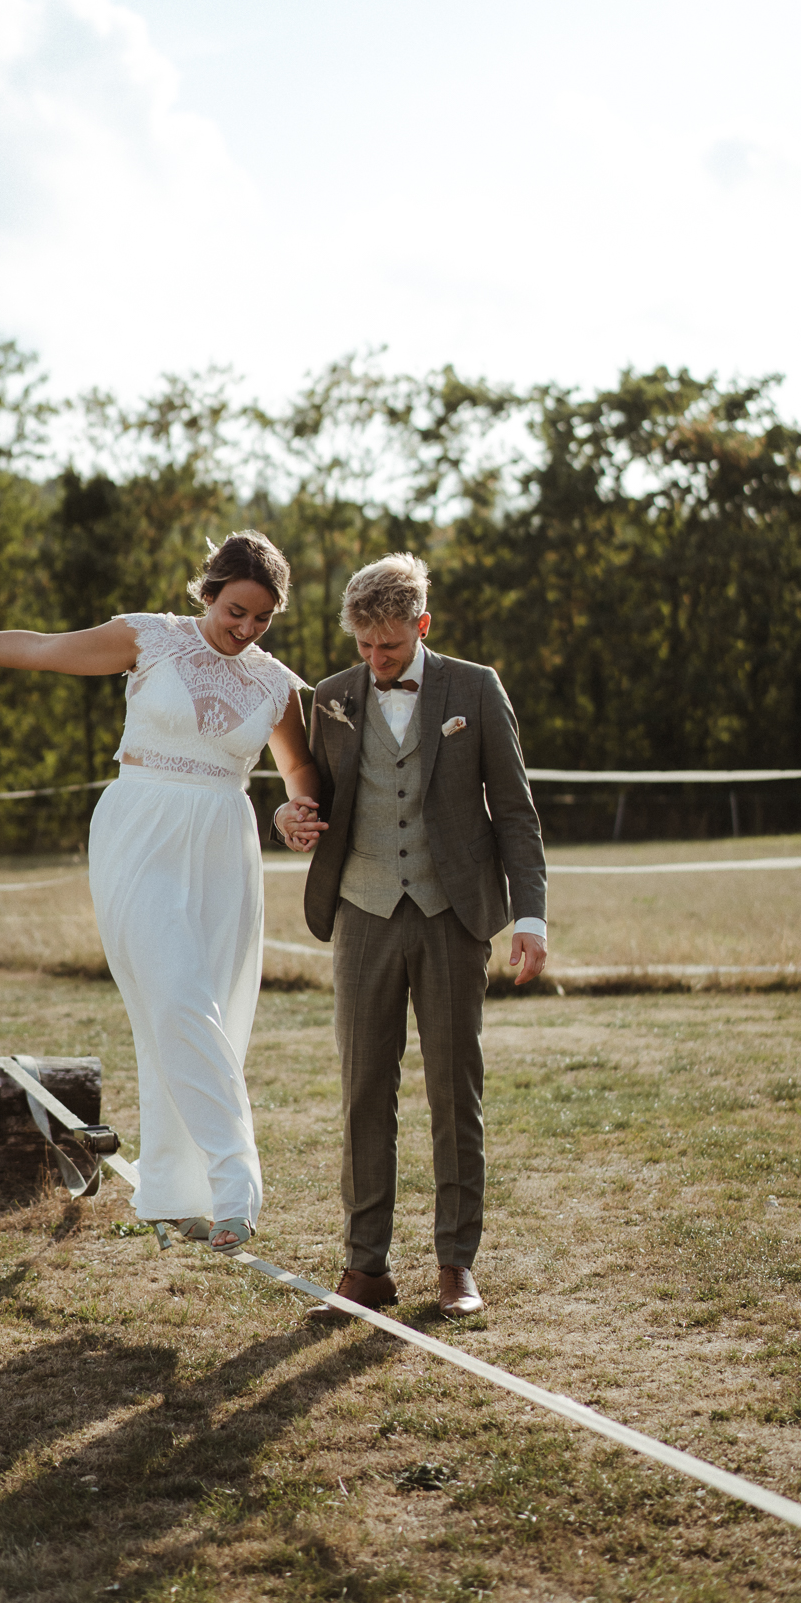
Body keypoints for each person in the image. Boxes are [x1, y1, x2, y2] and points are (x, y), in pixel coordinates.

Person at [0, 530, 322, 1252]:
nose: (246, 630)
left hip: (225, 844)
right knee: (177, 994)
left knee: (202, 1008)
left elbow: (301, 773)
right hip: (141, 831)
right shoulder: (148, 639)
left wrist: (288, 813)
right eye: (236, 611)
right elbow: (38, 647)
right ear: (209, 591)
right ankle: (236, 1177)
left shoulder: (276, 683)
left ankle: (174, 1194)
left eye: (263, 619)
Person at [273, 553, 547, 1320]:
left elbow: (516, 813)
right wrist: (286, 816)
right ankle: (366, 1270)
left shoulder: (476, 688)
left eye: (389, 645)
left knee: (454, 1091)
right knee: (364, 1090)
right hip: (360, 914)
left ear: (421, 625)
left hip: (453, 916)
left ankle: (456, 1264)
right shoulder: (328, 698)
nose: (374, 659)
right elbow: (305, 793)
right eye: (363, 646)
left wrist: (531, 916)